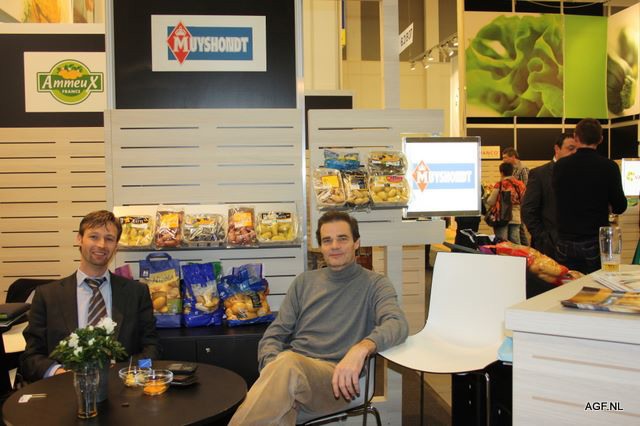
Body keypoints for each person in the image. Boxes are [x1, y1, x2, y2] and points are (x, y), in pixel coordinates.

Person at [229, 211, 409, 425]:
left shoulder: (376, 284)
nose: (334, 246)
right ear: (321, 247)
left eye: (342, 238)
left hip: (336, 380)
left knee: (287, 365)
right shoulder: (304, 282)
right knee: (281, 397)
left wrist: (362, 348)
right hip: (293, 372)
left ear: (356, 243)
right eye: (327, 240)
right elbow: (273, 336)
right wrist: (274, 373)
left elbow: (397, 323)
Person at [20, 210, 160, 382]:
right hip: (64, 387)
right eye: (94, 237)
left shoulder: (136, 293)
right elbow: (30, 357)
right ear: (79, 239)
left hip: (122, 386)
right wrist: (59, 373)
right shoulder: (47, 295)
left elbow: (152, 349)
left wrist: (128, 371)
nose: (101, 245)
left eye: (109, 239)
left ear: (116, 246)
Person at [553, 118, 627, 274]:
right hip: (594, 240)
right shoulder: (609, 167)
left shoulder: (560, 166)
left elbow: (557, 195)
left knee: (567, 283)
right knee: (595, 283)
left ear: (576, 137)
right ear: (601, 139)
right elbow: (620, 206)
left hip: (565, 240)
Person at [521, 133, 578, 260]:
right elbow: (528, 210)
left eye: (577, 149)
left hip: (577, 247)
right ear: (557, 149)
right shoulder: (540, 174)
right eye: (570, 148)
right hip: (549, 248)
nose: (574, 153)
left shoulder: (581, 173)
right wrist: (543, 238)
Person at [486, 162, 526, 244]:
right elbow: (524, 200)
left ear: (501, 172)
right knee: (515, 242)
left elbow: (491, 201)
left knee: (502, 242)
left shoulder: (500, 184)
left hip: (502, 216)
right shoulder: (520, 184)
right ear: (512, 171)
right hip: (516, 216)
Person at [503, 147, 530, 245]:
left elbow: (526, 187)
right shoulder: (512, 169)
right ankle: (525, 249)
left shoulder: (523, 169)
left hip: (521, 204)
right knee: (519, 229)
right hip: (513, 205)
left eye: (505, 157)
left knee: (520, 229)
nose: (503, 160)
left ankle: (525, 249)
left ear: (513, 157)